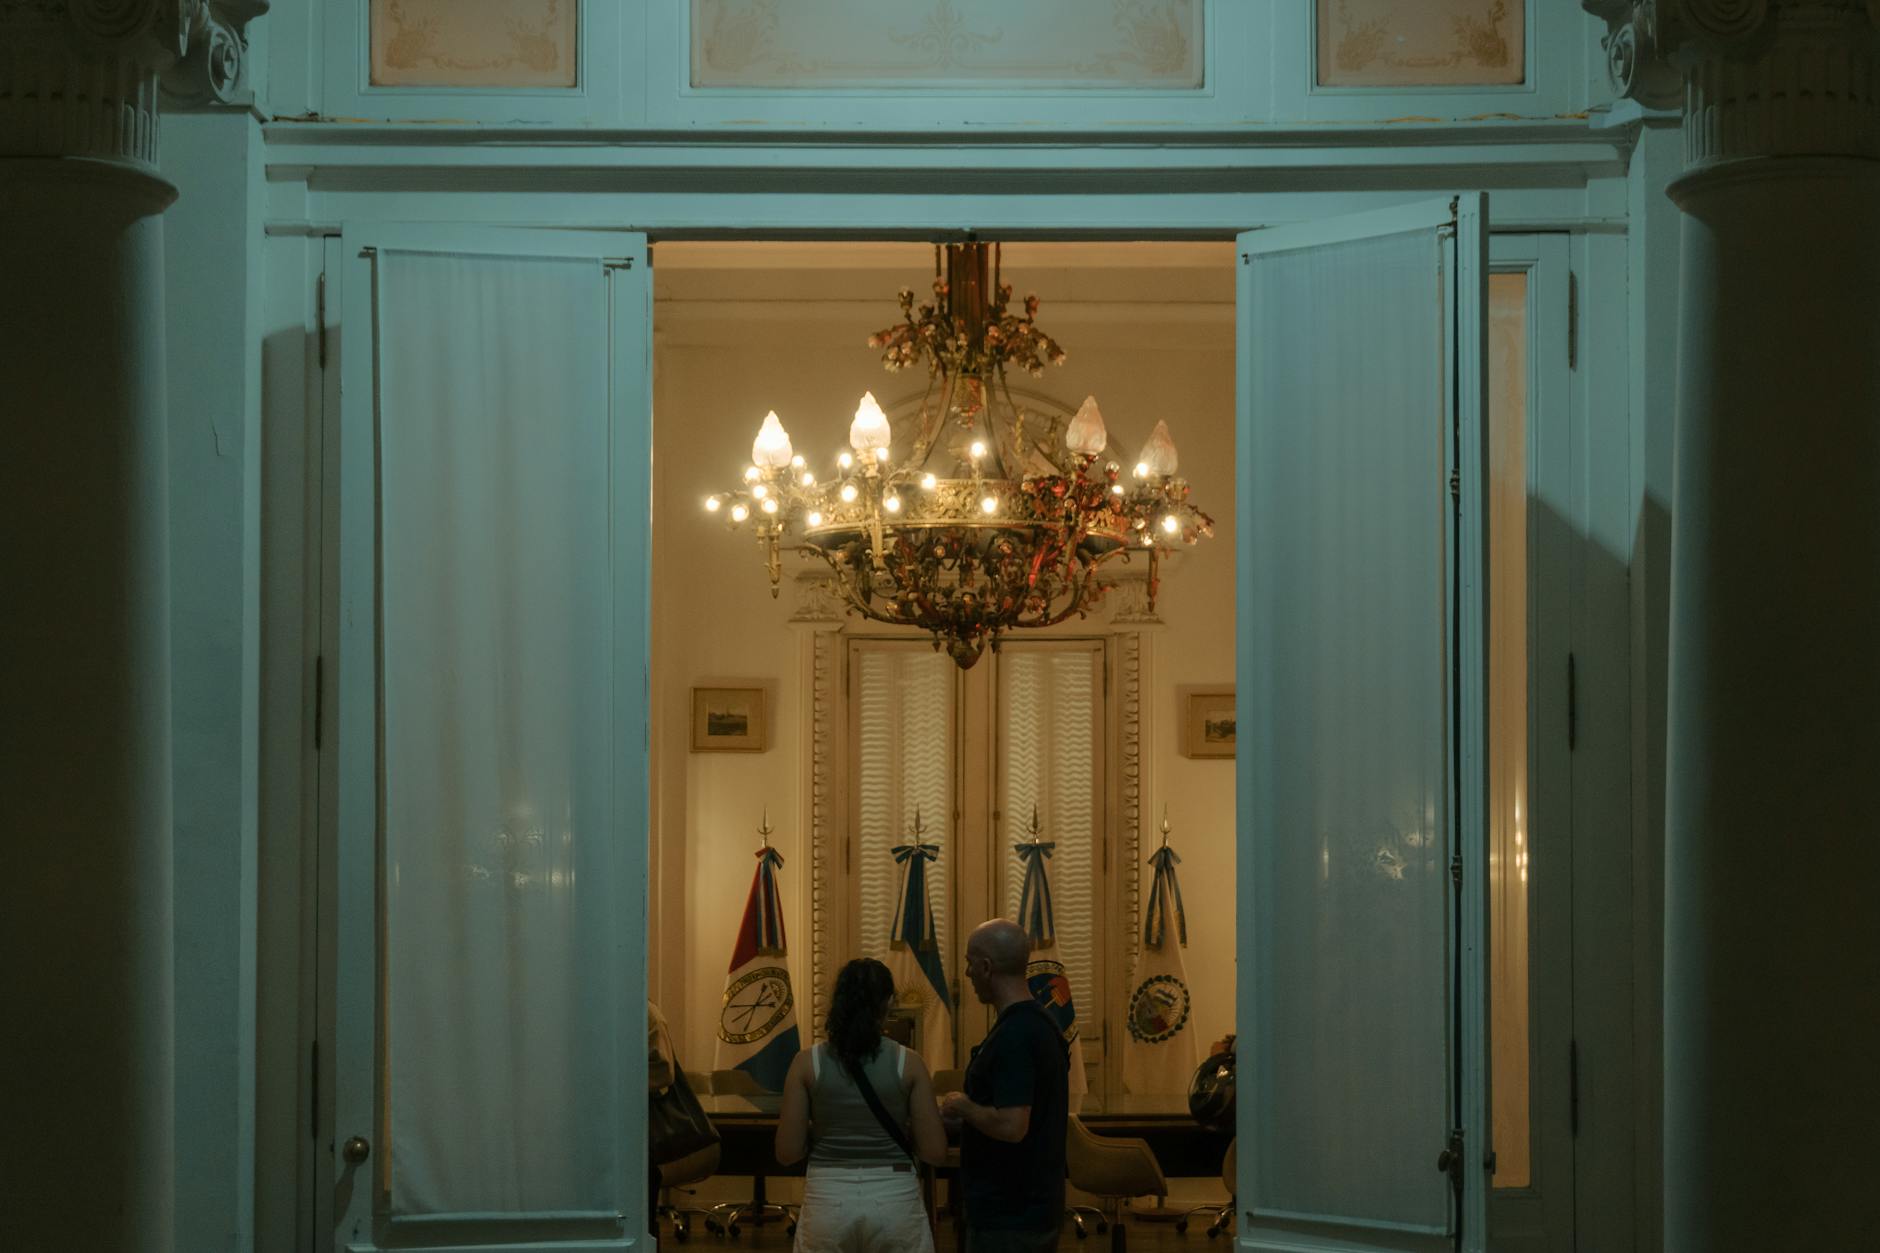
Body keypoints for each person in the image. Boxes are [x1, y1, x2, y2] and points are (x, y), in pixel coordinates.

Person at [775, 957, 949, 1253]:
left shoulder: (806, 1064)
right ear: (889, 1003)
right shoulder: (910, 1064)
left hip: (827, 1198)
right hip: (895, 1199)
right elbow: (934, 1152)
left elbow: (787, 1152)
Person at [938, 919, 1069, 1253]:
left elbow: (1012, 1126)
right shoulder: (1037, 1023)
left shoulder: (1015, 1035)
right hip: (1029, 1207)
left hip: (1011, 1215)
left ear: (986, 967)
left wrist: (963, 1105)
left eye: (969, 964)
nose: (966, 974)